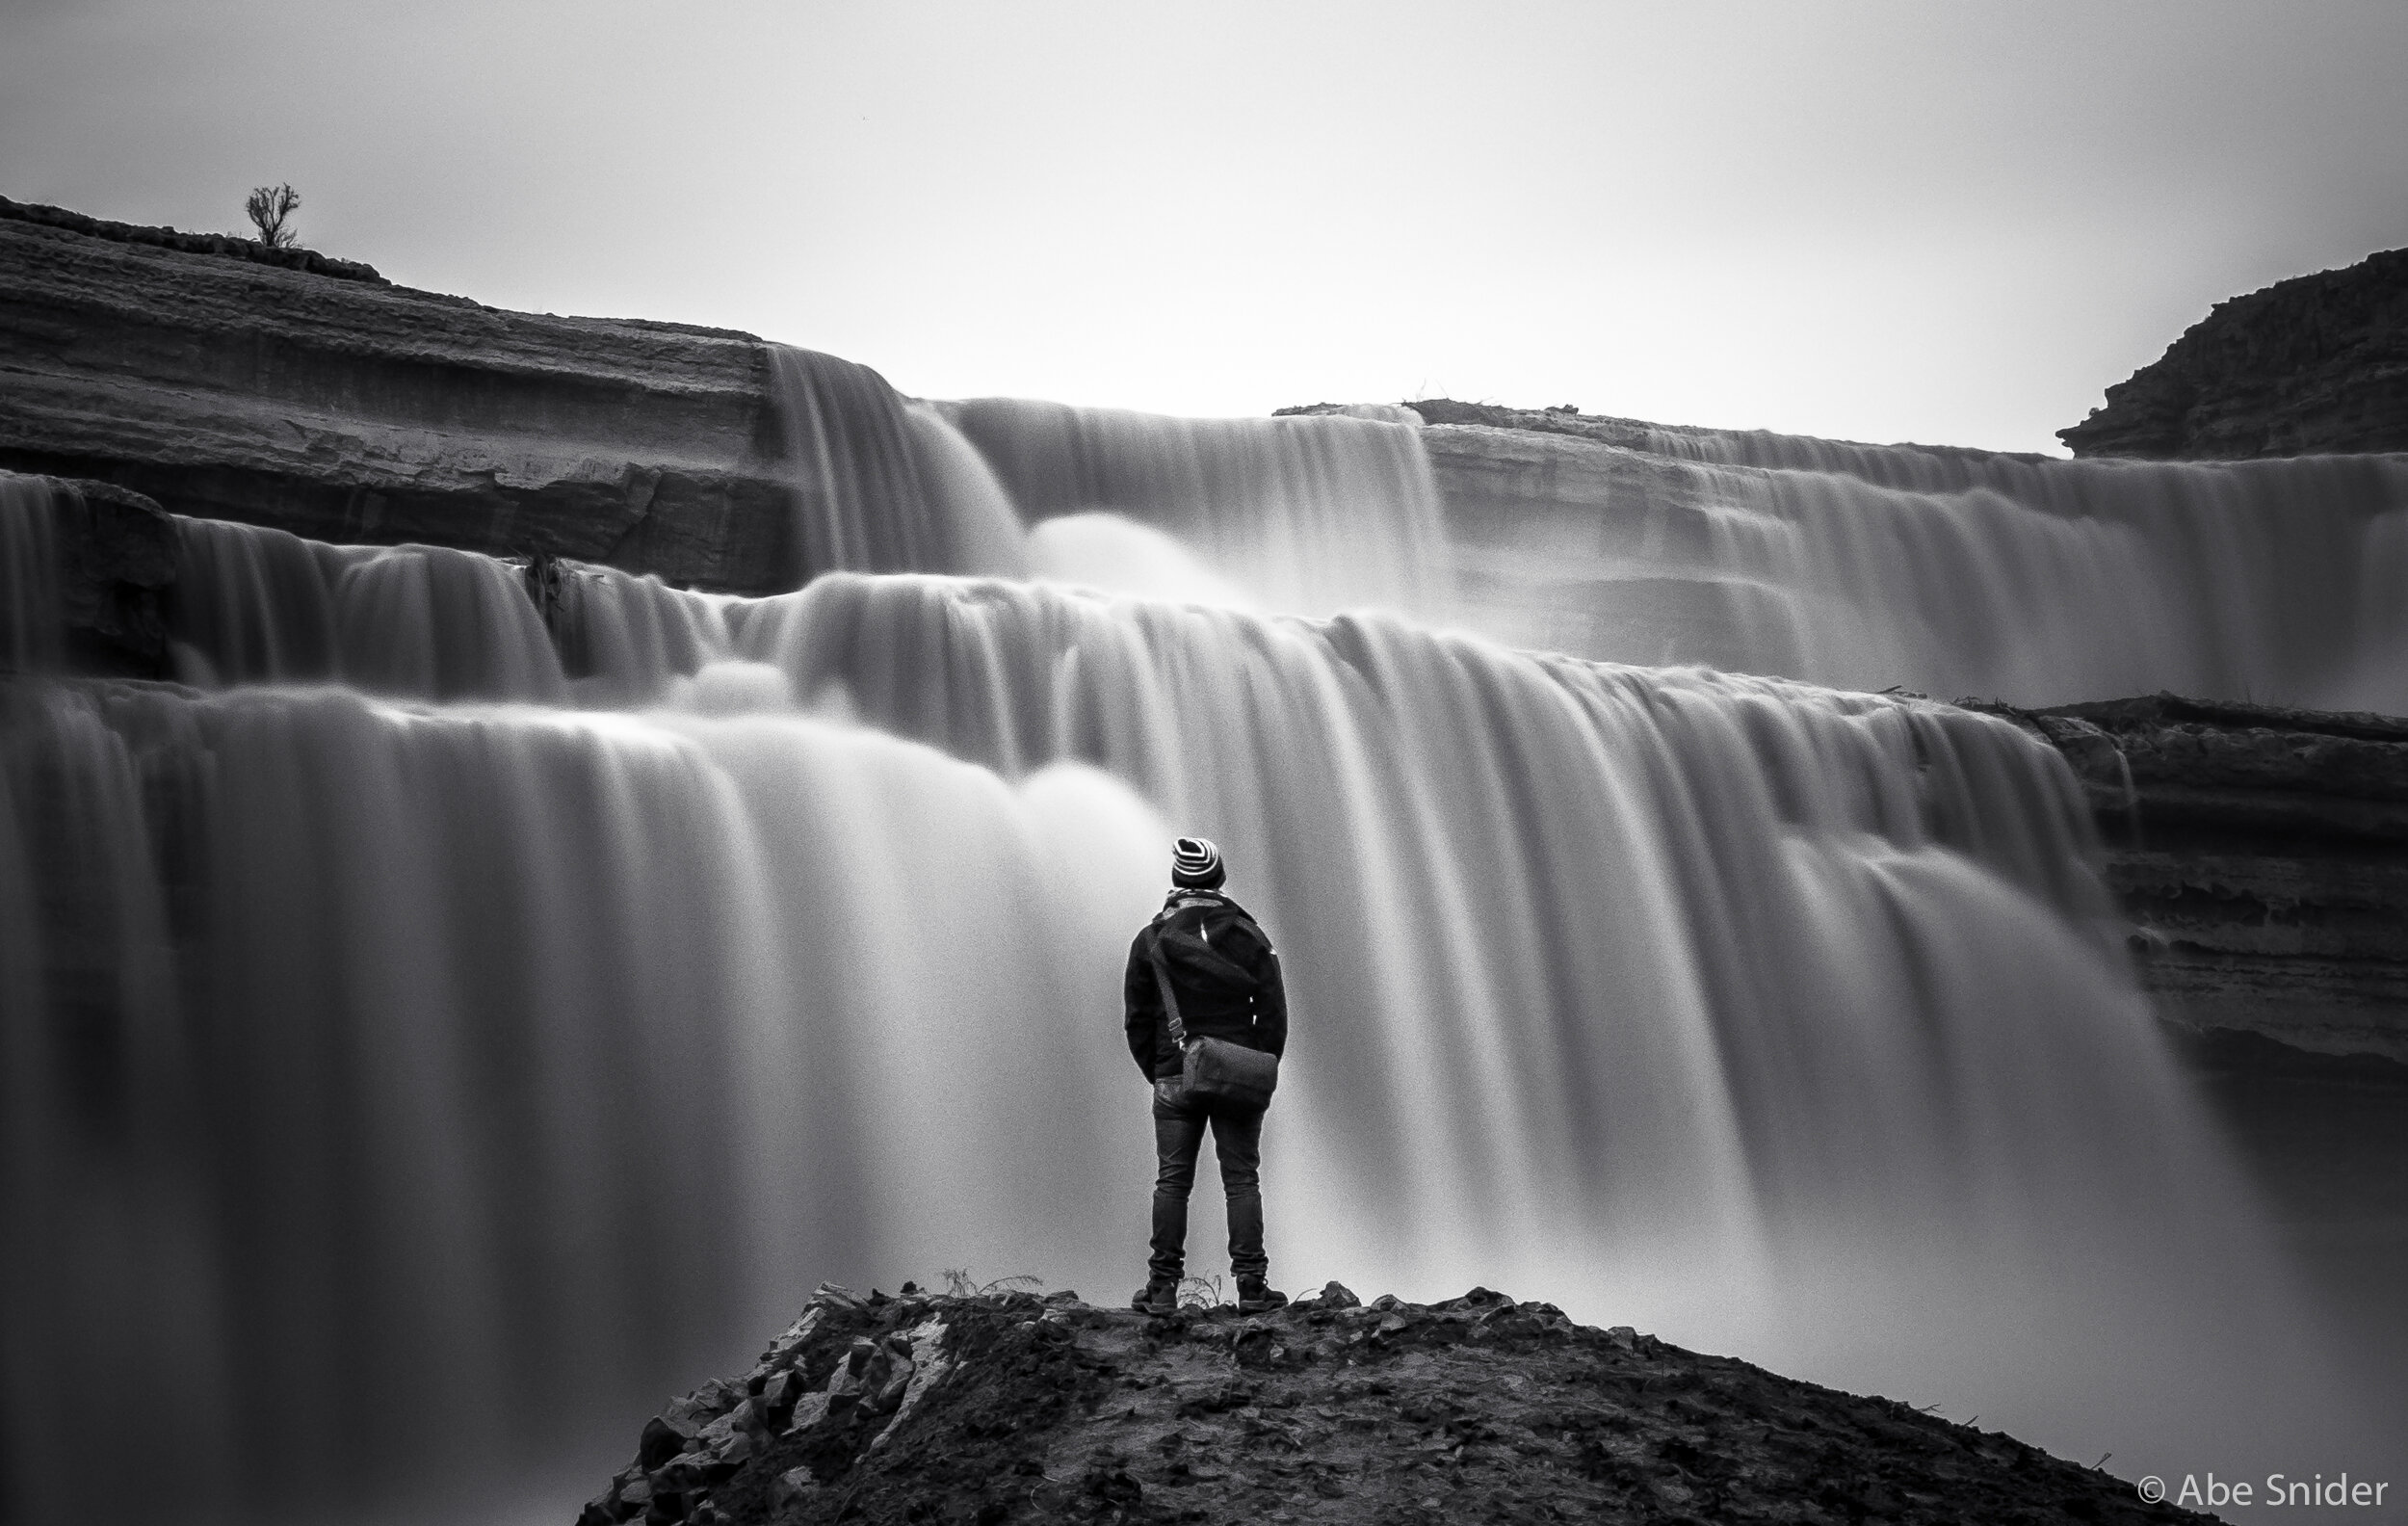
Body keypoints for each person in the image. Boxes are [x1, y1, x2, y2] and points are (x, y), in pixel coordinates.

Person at [1125, 835, 1290, 1315]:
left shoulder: (1150, 940)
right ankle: (1253, 1288)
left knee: (1172, 1181)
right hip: (1239, 1071)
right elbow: (1274, 1012)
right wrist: (1262, 1066)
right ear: (1219, 879)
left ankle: (1161, 1290)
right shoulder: (1250, 936)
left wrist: (1158, 1071)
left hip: (1173, 1075)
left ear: (1178, 880)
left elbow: (1136, 1017)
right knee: (1242, 1180)